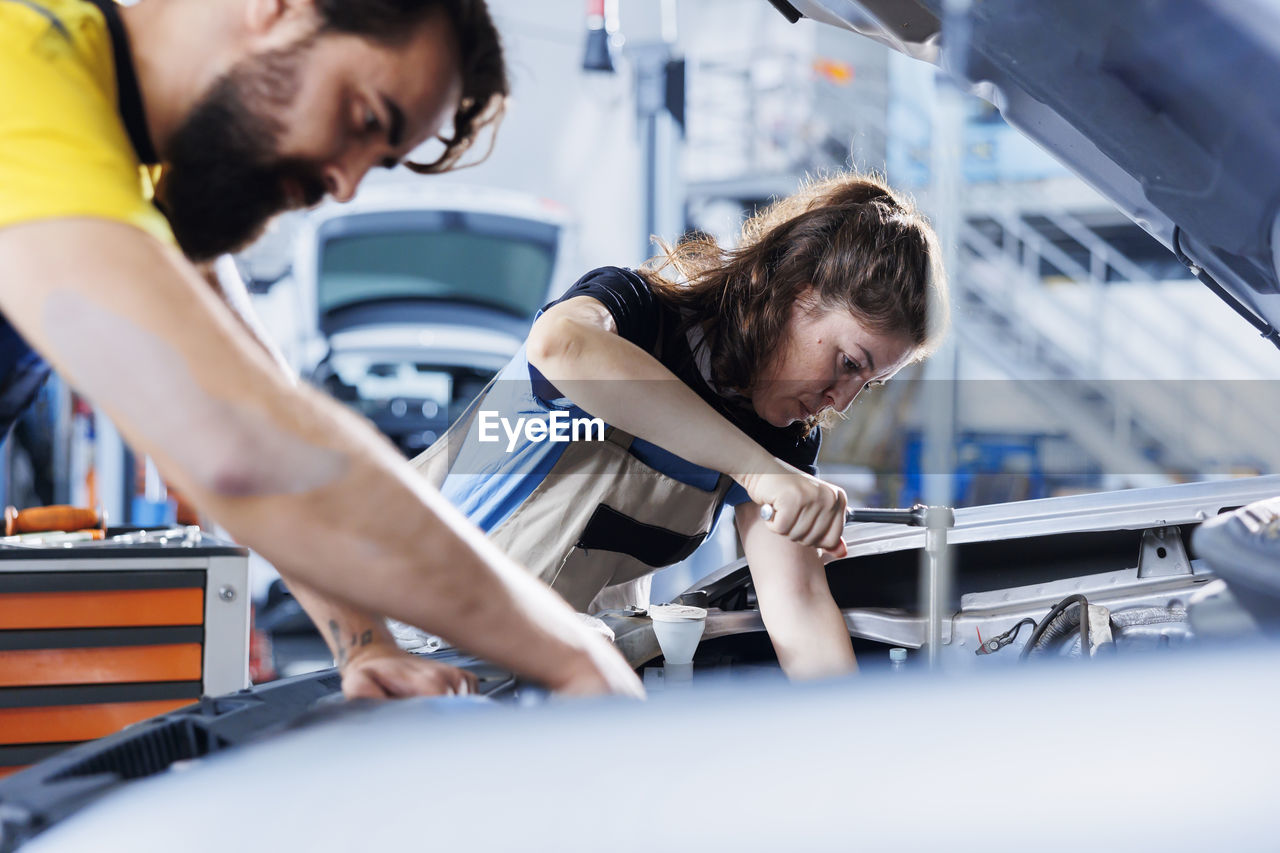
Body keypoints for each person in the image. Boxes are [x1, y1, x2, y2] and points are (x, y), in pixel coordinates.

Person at [0, 0, 642, 698]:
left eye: (380, 157)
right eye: (365, 118)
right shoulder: (21, 69)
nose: (344, 185)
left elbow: (260, 393)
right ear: (279, 10)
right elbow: (244, 443)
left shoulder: (142, 171)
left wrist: (366, 642)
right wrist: (569, 653)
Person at [378, 172, 948, 679]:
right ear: (798, 292)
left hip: (559, 669)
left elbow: (797, 607)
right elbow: (560, 346)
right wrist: (756, 470)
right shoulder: (636, 316)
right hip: (426, 641)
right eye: (849, 363)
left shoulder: (780, 436)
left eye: (867, 384)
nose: (842, 401)